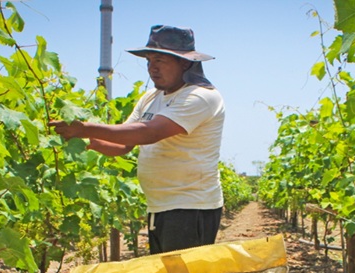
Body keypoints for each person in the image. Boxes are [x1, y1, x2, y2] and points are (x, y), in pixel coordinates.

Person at [50, 25, 225, 255]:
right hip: (160, 206)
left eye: (160, 60)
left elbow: (148, 133)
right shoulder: (151, 97)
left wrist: (85, 128)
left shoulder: (201, 97)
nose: (152, 68)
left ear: (185, 62)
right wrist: (83, 140)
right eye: (149, 60)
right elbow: (123, 143)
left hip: (191, 208)